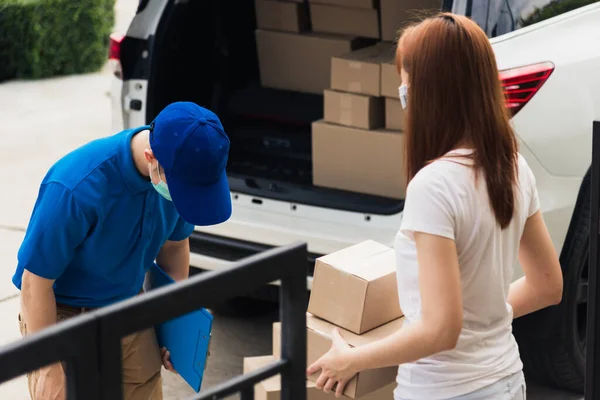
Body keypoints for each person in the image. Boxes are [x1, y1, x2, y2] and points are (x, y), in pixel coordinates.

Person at [307, 13, 564, 400]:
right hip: (508, 381)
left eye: (406, 83)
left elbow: (442, 330)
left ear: (430, 93)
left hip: (447, 390)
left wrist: (353, 359)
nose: (402, 93)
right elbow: (548, 286)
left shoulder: (434, 186)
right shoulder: (513, 165)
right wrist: (483, 317)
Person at [13, 101, 232, 400]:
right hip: (62, 314)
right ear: (151, 158)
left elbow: (175, 247)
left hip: (130, 306)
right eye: (185, 192)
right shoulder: (76, 187)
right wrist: (49, 367)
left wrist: (174, 322)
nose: (185, 200)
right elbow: (34, 282)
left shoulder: (178, 176)